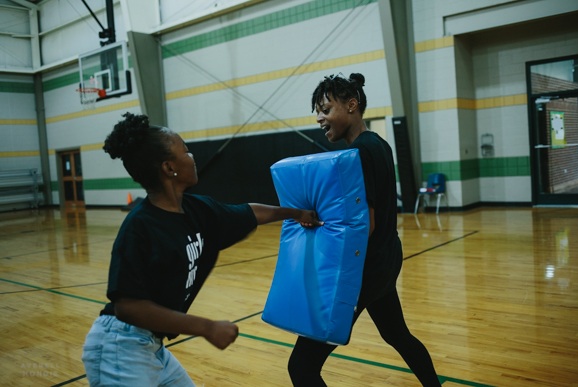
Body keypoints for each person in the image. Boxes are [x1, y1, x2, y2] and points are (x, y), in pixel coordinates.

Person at [81, 112, 322, 386]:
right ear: (169, 167)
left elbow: (250, 213)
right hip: (119, 346)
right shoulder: (140, 228)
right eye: (185, 150)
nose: (192, 156)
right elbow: (128, 307)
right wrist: (206, 327)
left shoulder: (198, 211)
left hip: (151, 346)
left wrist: (295, 212)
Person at [287, 73, 441, 386]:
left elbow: (363, 226)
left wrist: (317, 228)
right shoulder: (378, 145)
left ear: (352, 106)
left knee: (301, 366)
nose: (319, 118)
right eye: (317, 111)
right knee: (397, 335)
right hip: (383, 262)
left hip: (363, 272)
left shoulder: (358, 153)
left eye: (326, 109)